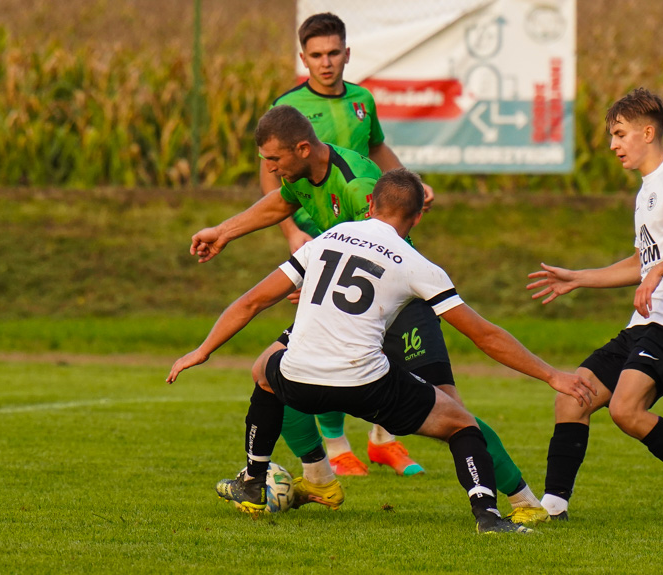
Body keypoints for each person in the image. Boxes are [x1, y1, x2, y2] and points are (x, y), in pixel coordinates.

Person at [168, 169, 596, 534]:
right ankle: (487, 514)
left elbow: (251, 301)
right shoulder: (416, 263)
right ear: (415, 216)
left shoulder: (332, 235)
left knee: (264, 369)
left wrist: (203, 350)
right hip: (365, 384)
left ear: (369, 203)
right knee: (461, 423)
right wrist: (552, 376)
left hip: (298, 381)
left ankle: (252, 480)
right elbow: (484, 335)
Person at [526, 87, 663, 524]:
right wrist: (580, 278)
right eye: (612, 135)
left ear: (648, 132)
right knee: (573, 396)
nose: (613, 145)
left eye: (620, 134)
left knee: (626, 410)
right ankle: (554, 507)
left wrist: (660, 272)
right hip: (642, 326)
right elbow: (643, 261)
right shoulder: (645, 191)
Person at [259, 12, 434, 479]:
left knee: (384, 332)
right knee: (327, 341)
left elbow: (377, 150)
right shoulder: (289, 105)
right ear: (303, 59)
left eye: (334, 52)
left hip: (372, 233)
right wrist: (292, 233)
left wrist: (410, 183)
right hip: (323, 243)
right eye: (316, 55)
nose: (327, 62)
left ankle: (383, 441)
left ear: (347, 53)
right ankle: (336, 447)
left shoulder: (362, 100)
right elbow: (272, 174)